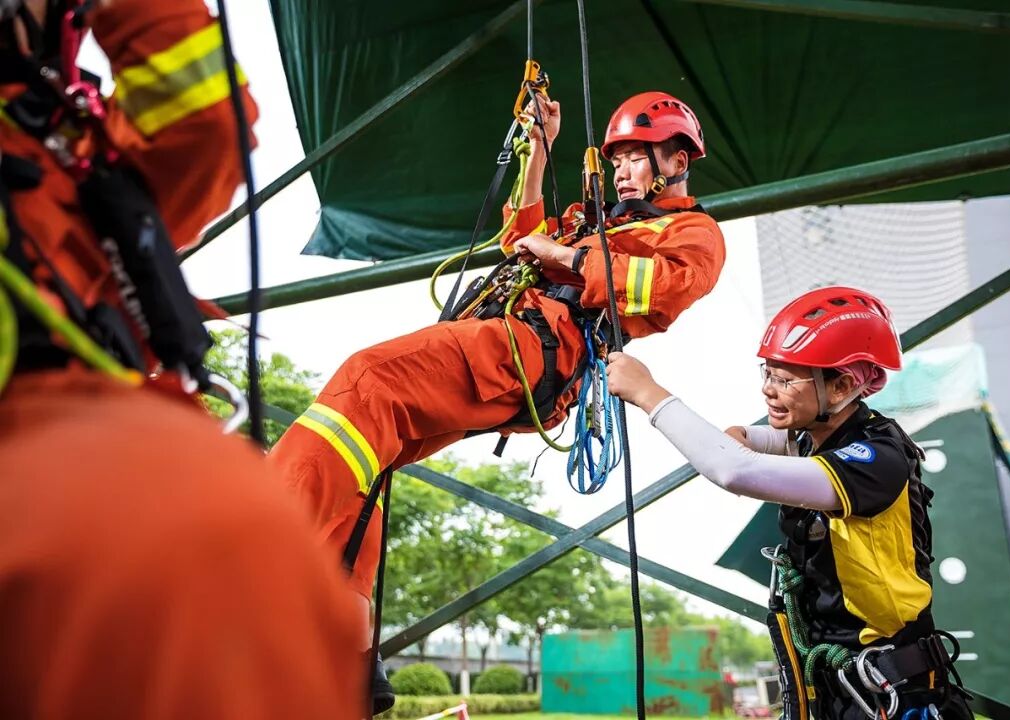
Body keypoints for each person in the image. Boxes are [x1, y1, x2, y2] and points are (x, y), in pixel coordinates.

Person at [0, 1, 364, 717]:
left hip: (104, 431)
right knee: (205, 532)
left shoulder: (60, 132)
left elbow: (204, 132)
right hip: (93, 470)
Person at [270, 90, 726, 657]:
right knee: (373, 447)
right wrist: (539, 148)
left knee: (368, 383)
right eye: (617, 160)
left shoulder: (692, 234)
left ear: (677, 162)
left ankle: (255, 557)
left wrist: (561, 258)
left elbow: (664, 289)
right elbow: (519, 239)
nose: (622, 171)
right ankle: (346, 639)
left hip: (536, 349)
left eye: (637, 157)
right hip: (512, 345)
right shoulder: (593, 220)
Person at [606, 286, 974, 720]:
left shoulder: (875, 458)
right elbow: (741, 442)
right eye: (767, 373)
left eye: (784, 380)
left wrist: (649, 393)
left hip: (894, 695)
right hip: (837, 691)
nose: (769, 390)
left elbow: (734, 471)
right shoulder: (812, 439)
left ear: (841, 387)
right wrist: (743, 440)